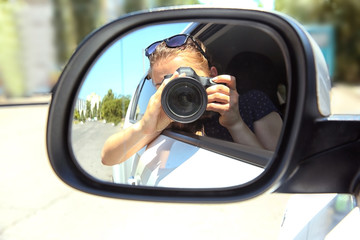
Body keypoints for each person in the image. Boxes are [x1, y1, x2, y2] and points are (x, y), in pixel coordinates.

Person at [101, 34, 282, 166]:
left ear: (213, 77)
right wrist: (145, 127)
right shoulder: (163, 119)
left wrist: (235, 124)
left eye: (188, 81)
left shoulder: (250, 103)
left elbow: (276, 166)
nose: (181, 94)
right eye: (163, 86)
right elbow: (108, 158)